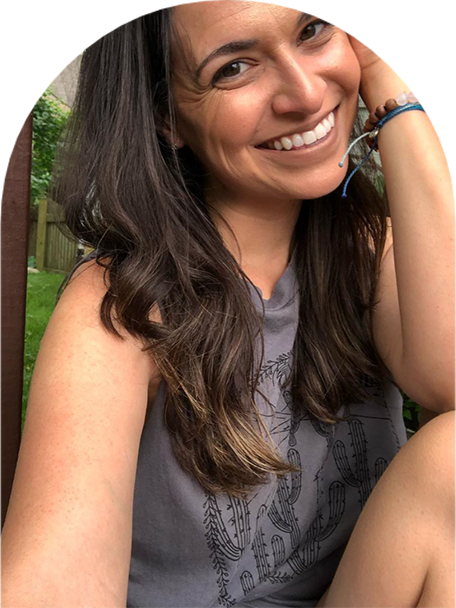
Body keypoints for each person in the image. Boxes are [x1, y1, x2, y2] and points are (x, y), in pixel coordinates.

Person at [0, 3, 454, 608]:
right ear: (167, 116)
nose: (305, 93)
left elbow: (450, 378)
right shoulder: (123, 305)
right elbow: (53, 584)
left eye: (313, 30)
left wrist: (391, 92)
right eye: (234, 68)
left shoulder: (370, 250)